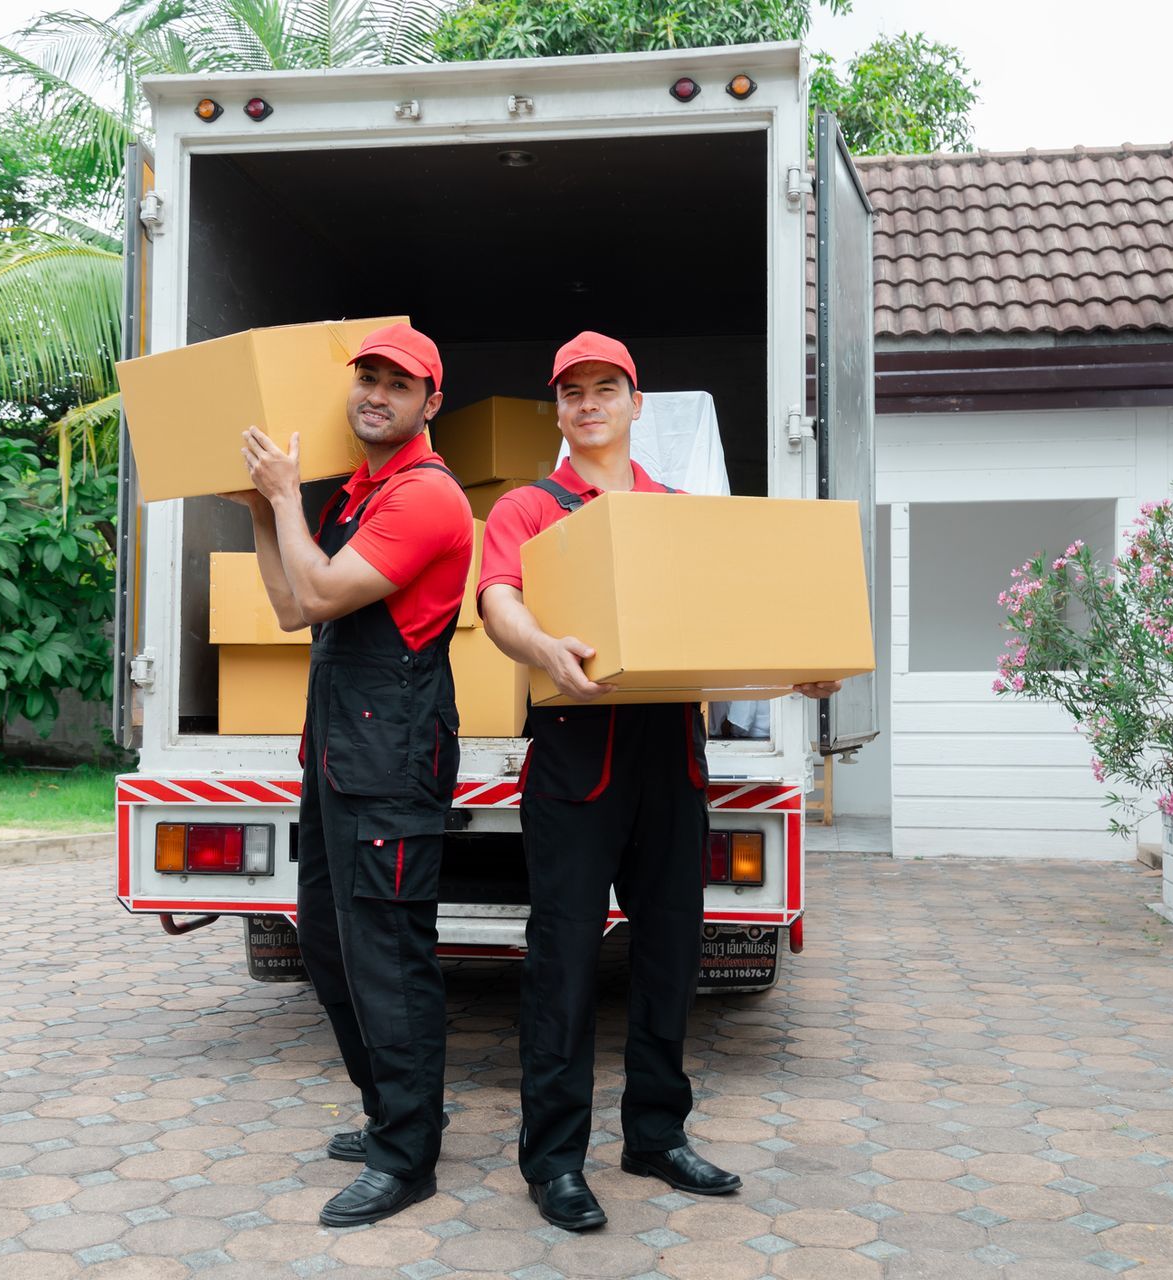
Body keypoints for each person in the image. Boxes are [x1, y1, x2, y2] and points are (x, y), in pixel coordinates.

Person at [476, 332, 840, 1231]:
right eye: (574, 392)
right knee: (562, 963)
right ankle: (555, 1160)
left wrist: (802, 663)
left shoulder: (677, 510)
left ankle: (655, 1134)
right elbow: (498, 600)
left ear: (638, 405)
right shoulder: (528, 507)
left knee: (672, 951)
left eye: (607, 388)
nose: (590, 404)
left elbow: (733, 616)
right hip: (573, 756)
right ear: (558, 410)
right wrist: (543, 647)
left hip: (672, 757)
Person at [222, 322, 473, 1228]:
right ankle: (390, 1114)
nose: (375, 394)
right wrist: (260, 508)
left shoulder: (426, 498)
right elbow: (295, 608)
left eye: (397, 384)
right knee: (327, 944)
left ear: (429, 402)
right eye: (365, 378)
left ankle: (409, 1157)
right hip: (336, 758)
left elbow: (326, 593)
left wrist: (288, 494)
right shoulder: (357, 496)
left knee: (387, 957)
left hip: (392, 763)